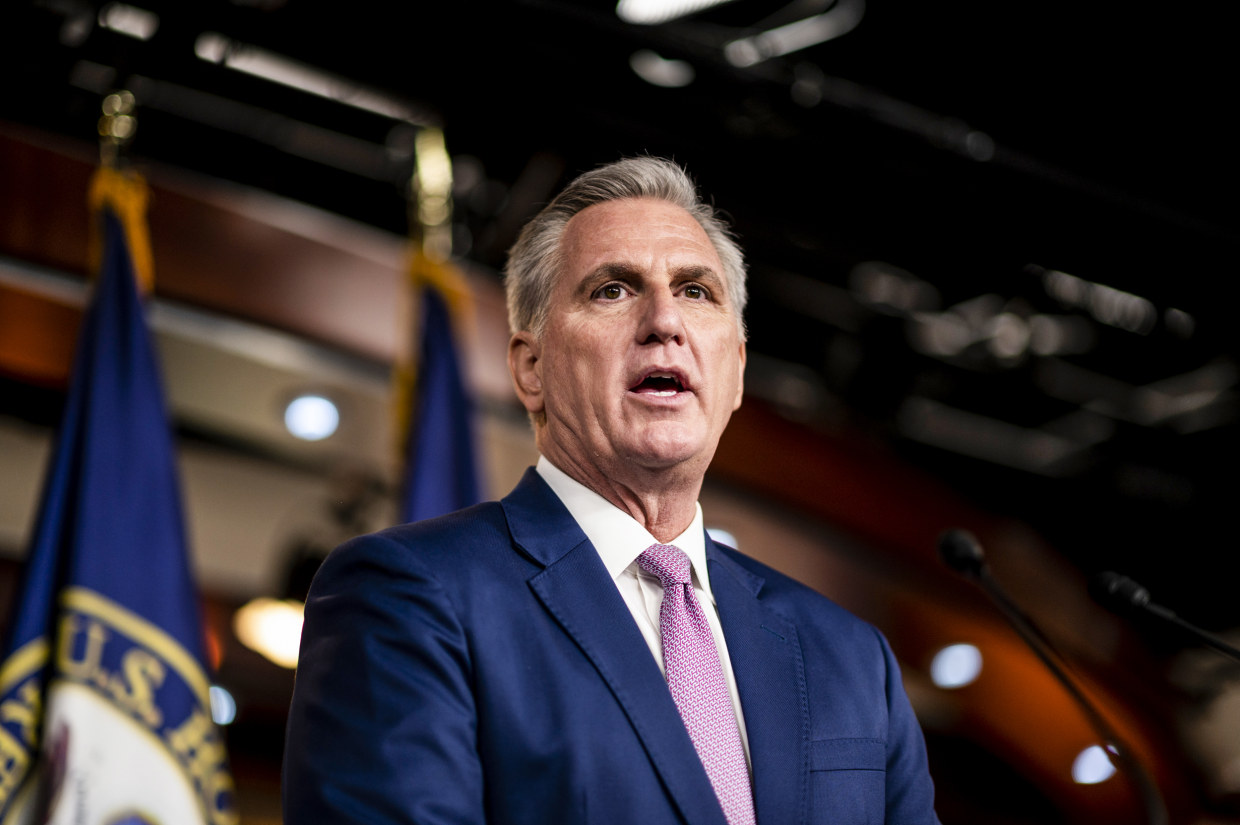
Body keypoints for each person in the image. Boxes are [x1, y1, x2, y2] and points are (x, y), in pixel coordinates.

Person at [282, 157, 941, 825]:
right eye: (613, 290)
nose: (664, 321)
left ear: (737, 371)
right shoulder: (408, 596)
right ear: (531, 367)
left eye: (695, 291)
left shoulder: (852, 657)